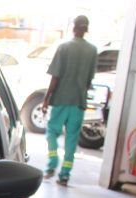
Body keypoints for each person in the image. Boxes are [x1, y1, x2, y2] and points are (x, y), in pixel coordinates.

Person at [41, 15, 98, 186]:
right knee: (72, 139)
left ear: (73, 28)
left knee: (52, 132)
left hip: (61, 99)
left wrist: (46, 99)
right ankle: (64, 175)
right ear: (86, 29)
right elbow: (89, 81)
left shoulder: (64, 48)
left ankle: (51, 165)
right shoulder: (92, 51)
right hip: (79, 102)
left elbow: (55, 77)